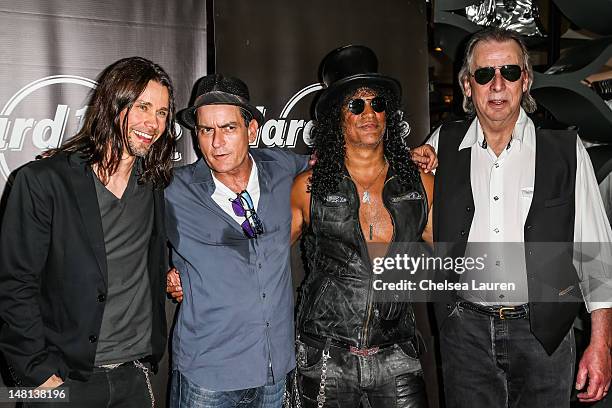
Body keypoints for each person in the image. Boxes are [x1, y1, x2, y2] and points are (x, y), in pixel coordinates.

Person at [426, 27, 612, 407]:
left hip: (544, 333)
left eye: (510, 72)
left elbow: (596, 255)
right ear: (466, 85)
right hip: (465, 334)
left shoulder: (564, 150)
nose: (497, 84)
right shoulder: (441, 143)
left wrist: (601, 344)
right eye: (484, 74)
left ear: (524, 80)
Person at [0, 56, 177, 407]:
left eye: (161, 112)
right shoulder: (43, 181)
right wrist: (36, 372)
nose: (153, 122)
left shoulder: (154, 184)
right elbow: (14, 282)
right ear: (114, 104)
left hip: (134, 376)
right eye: (142, 106)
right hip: (63, 381)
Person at [290, 45, 433, 407]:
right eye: (355, 105)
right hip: (326, 355)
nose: (369, 113)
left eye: (377, 104)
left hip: (397, 354)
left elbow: (457, 256)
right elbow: (263, 258)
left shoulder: (420, 184)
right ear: (338, 117)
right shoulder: (309, 187)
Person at [164, 74, 311, 408]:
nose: (217, 143)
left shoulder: (283, 168)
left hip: (273, 371)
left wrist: (411, 156)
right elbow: (127, 222)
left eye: (228, 128)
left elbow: (349, 162)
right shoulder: (174, 189)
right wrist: (166, 270)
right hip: (207, 375)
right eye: (206, 130)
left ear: (252, 130)